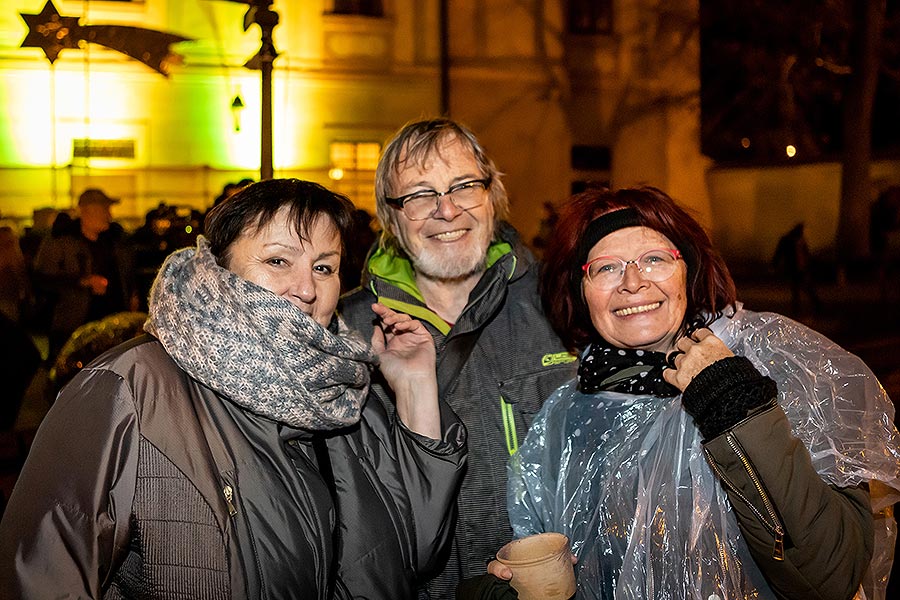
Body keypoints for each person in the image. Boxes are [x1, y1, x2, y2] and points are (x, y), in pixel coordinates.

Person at [0, 179, 467, 598]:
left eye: (324, 267)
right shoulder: (129, 388)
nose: (306, 288)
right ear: (219, 269)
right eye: (278, 260)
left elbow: (415, 555)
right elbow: (42, 572)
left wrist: (417, 389)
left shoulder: (346, 392)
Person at [494, 186, 900, 599]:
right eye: (606, 267)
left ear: (689, 270)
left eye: (654, 259)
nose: (632, 282)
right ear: (582, 291)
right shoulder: (568, 414)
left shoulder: (776, 363)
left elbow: (833, 574)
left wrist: (732, 403)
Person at [339, 117, 576, 597]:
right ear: (392, 217)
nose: (447, 211)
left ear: (491, 195)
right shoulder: (346, 330)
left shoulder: (562, 301)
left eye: (463, 186)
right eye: (419, 195)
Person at [32, 188, 138, 362]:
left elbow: (127, 274)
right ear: (86, 211)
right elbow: (41, 278)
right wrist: (82, 281)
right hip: (72, 328)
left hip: (111, 328)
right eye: (104, 209)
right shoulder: (61, 242)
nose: (109, 215)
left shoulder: (115, 242)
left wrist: (132, 294)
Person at [772, 221, 822, 316]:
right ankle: (806, 308)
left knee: (801, 289)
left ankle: (804, 308)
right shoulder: (791, 240)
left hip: (798, 269)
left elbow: (805, 255)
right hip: (796, 269)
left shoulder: (797, 240)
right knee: (801, 290)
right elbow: (780, 253)